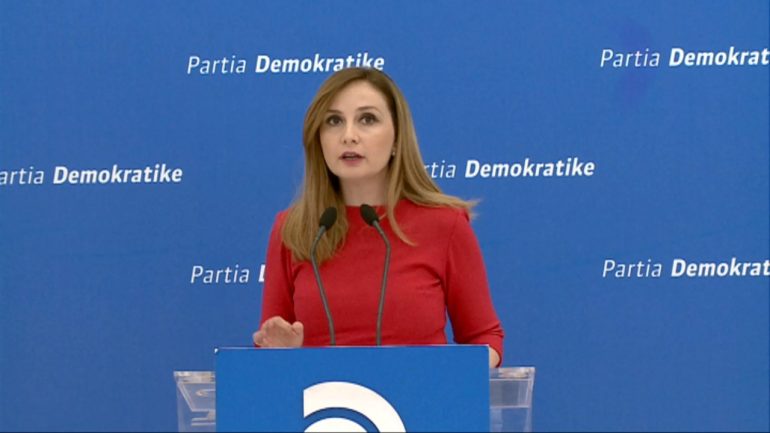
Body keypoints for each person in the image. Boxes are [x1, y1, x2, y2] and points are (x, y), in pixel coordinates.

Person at [252, 67, 504, 367]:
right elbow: (269, 345)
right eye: (334, 121)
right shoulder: (294, 229)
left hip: (420, 396)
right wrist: (281, 355)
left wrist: (444, 377)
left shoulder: (445, 224)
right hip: (320, 398)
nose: (348, 136)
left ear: (397, 138)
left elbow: (484, 338)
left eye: (367, 119)